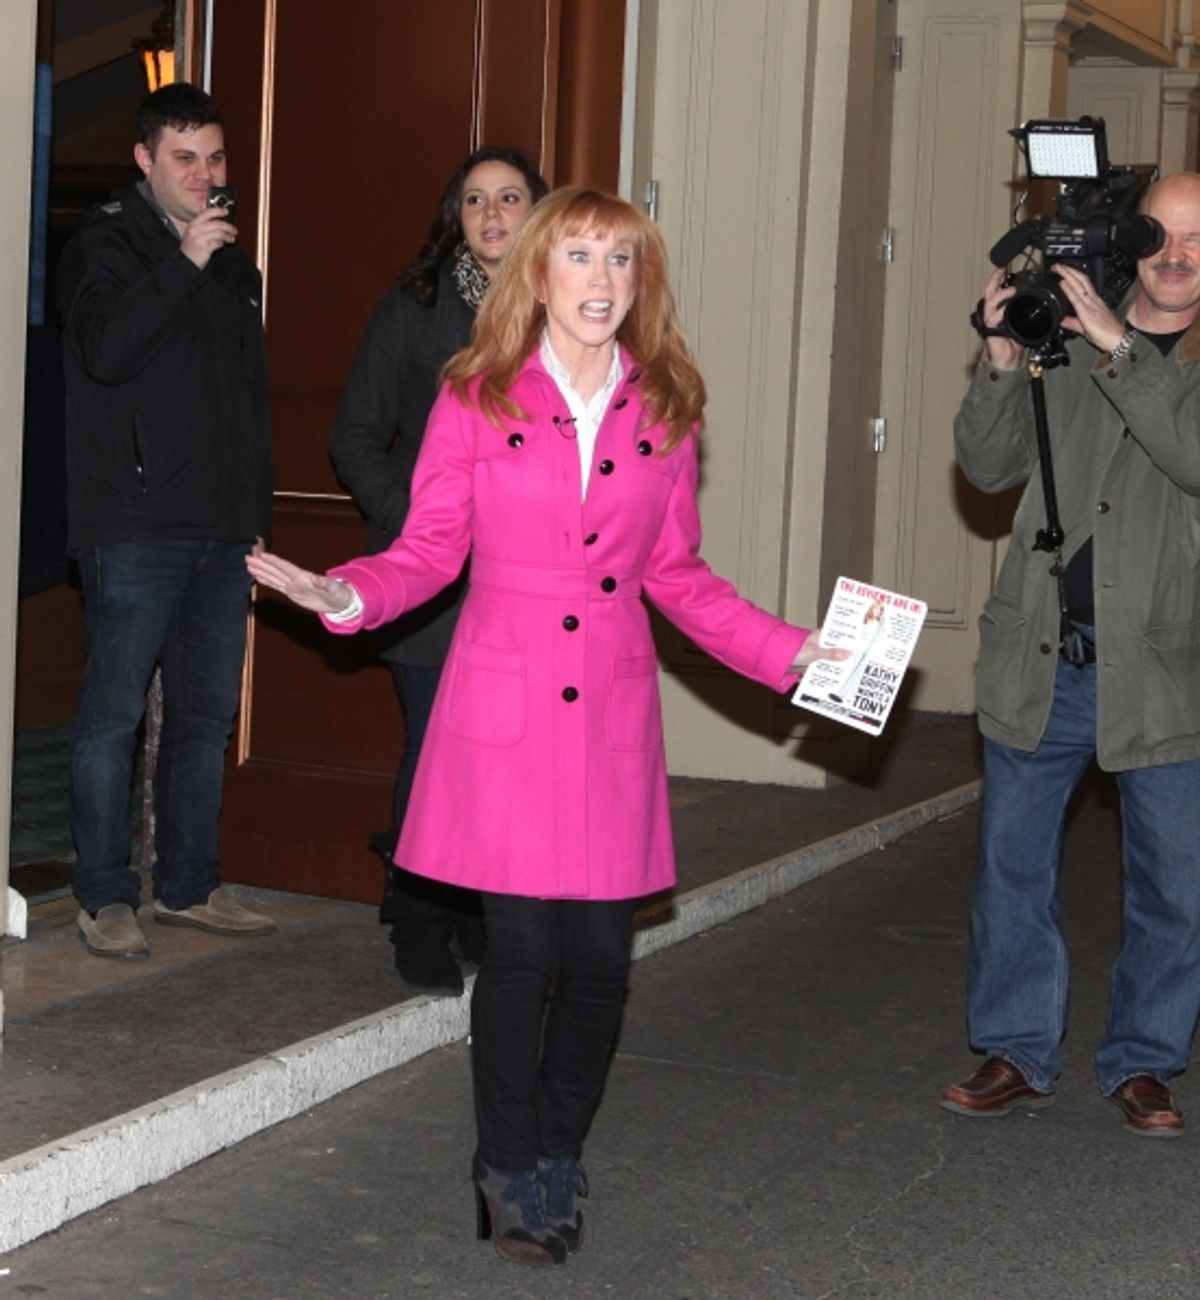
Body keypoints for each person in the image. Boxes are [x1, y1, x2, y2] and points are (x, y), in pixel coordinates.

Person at [247, 187, 842, 1266]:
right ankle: (506, 1162)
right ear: (538, 272)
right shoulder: (474, 397)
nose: (603, 281)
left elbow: (680, 578)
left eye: (622, 261)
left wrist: (790, 651)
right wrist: (344, 597)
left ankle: (560, 1147)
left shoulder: (666, 405)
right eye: (580, 256)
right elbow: (428, 550)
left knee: (602, 960)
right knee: (521, 950)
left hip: (609, 711)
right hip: (502, 711)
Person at [943, 171, 1200, 1137]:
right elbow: (989, 467)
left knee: (1175, 886)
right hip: (1045, 653)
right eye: (1160, 234)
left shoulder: (1122, 345)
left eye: (1197, 240)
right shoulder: (1063, 330)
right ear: (1132, 242)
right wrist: (1006, 358)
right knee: (1010, 868)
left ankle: (1143, 1059)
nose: (1175, 256)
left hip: (1168, 664)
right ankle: (1015, 1045)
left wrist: (1121, 348)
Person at [58, 82, 275, 959]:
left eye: (216, 158)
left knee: (203, 716)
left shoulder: (231, 262)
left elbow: (245, 400)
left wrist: (253, 515)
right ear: (145, 160)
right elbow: (106, 353)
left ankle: (189, 886)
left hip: (222, 531)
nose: (206, 174)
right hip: (135, 525)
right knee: (113, 718)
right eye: (185, 158)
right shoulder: (105, 244)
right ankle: (104, 896)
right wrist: (182, 260)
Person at [329, 148, 548, 994]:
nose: (491, 214)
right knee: (436, 751)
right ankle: (417, 915)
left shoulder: (566, 311)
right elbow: (353, 435)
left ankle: (478, 913)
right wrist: (421, 518)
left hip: (528, 582)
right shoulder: (414, 309)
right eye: (474, 201)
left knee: (505, 756)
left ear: (538, 212)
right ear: (454, 216)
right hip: (432, 585)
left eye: (509, 198)